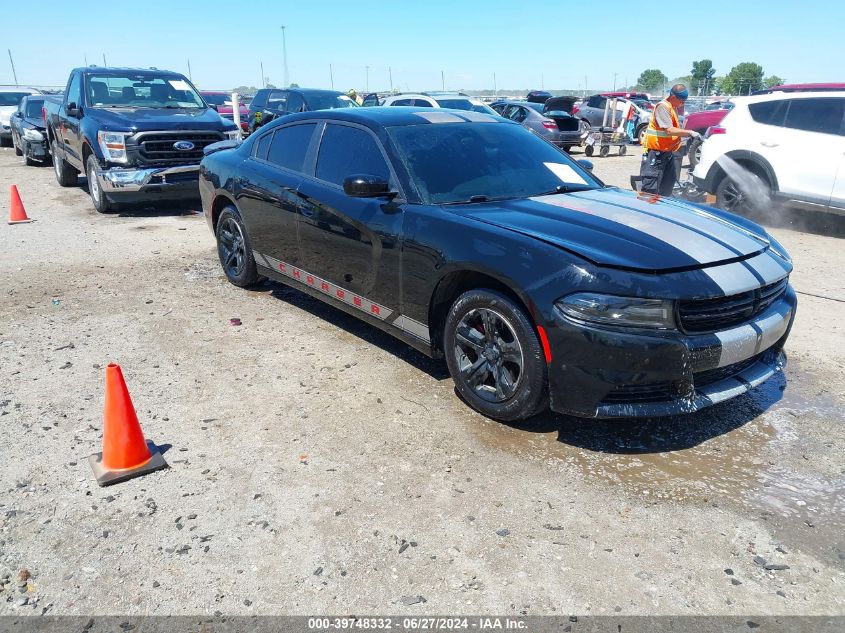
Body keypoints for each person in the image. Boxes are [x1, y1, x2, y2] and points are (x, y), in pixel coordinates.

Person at [639, 84, 701, 196]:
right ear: (673, 97)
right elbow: (669, 130)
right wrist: (690, 132)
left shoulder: (672, 108)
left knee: (667, 185)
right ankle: (647, 210)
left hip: (666, 153)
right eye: (682, 101)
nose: (683, 104)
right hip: (655, 154)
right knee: (650, 189)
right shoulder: (663, 107)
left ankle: (661, 210)